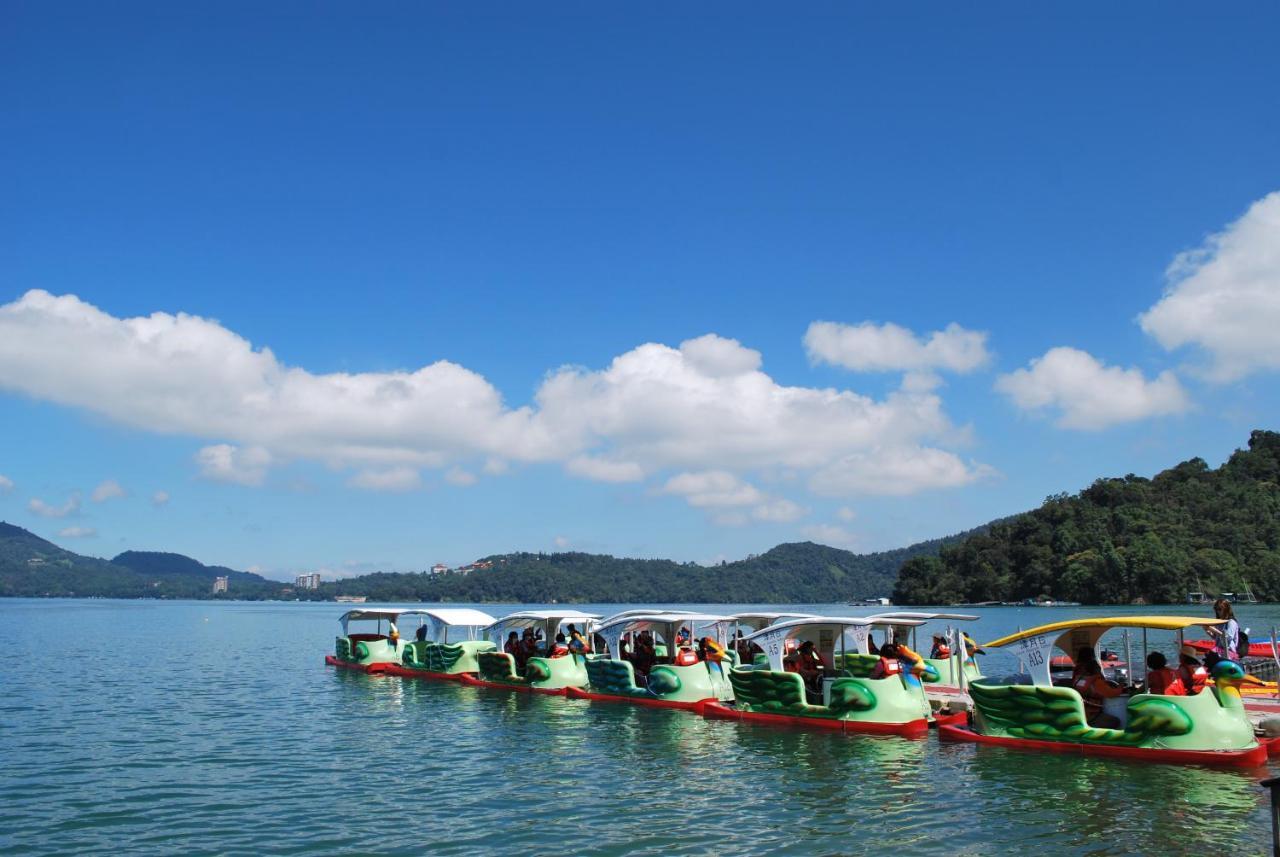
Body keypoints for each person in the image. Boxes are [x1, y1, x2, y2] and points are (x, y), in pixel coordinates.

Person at [1073, 659, 1123, 728]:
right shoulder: (1096, 682)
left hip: (1079, 713)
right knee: (1115, 721)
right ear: (1097, 669)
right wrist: (1121, 687)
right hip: (1091, 716)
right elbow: (1112, 693)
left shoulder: (1078, 679)